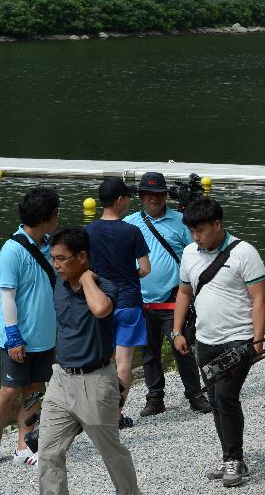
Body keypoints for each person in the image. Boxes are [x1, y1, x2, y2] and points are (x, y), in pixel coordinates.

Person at [171, 199, 265, 488]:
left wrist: (257, 342)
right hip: (204, 340)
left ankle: (234, 459)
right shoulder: (188, 253)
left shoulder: (244, 252)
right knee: (215, 400)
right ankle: (231, 456)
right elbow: (184, 293)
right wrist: (177, 331)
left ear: (217, 225)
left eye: (200, 231)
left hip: (238, 339)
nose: (195, 237)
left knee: (226, 396)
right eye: (191, 231)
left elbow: (259, 298)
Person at [38, 228, 141, 495]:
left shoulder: (105, 287)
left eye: (62, 258)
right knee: (48, 451)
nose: (56, 264)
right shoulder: (58, 282)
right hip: (60, 379)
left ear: (82, 256)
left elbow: (100, 309)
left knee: (111, 452)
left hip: (95, 382)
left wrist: (86, 279)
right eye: (53, 258)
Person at [0, 186, 59, 467]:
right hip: (19, 337)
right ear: (47, 216)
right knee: (9, 390)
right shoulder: (11, 250)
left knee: (35, 390)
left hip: (44, 336)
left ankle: (25, 445)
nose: (59, 215)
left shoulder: (52, 245)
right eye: (56, 211)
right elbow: (7, 296)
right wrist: (13, 336)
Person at [123, 172, 210, 418]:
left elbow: (196, 254)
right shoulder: (129, 224)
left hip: (174, 298)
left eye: (159, 193)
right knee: (148, 351)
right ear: (141, 196)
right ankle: (155, 396)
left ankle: (195, 393)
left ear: (166, 196)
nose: (155, 198)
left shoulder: (182, 221)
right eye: (150, 194)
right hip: (141, 300)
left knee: (181, 346)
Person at [85, 178, 151, 429]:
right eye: (128, 197)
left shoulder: (88, 232)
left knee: (102, 361)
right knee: (124, 364)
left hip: (100, 303)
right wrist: (129, 274)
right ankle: (115, 414)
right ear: (121, 200)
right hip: (128, 302)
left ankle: (96, 411)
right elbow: (145, 268)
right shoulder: (131, 231)